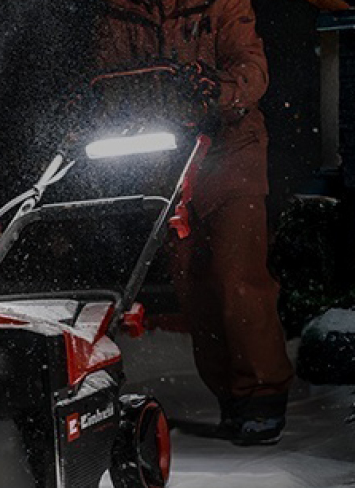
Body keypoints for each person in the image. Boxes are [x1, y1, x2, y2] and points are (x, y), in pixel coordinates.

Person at [92, 0, 294, 444]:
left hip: (231, 149)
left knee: (236, 276)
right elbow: (107, 73)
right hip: (168, 156)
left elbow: (251, 67)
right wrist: (95, 100)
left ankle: (261, 394)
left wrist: (217, 87)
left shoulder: (222, 3)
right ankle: (230, 395)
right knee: (193, 281)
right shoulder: (120, 12)